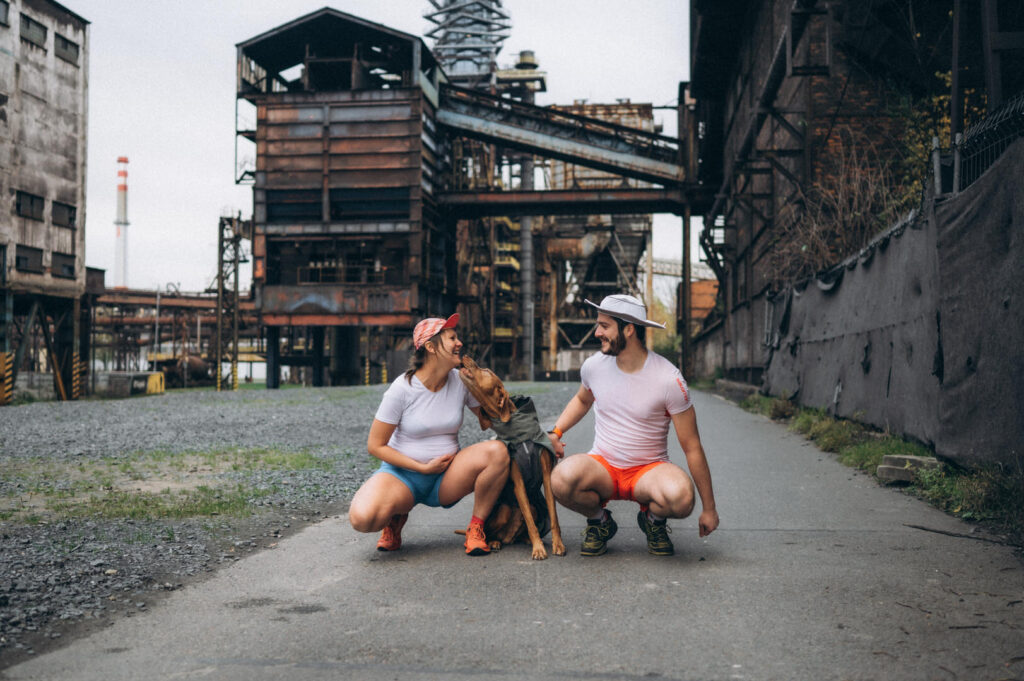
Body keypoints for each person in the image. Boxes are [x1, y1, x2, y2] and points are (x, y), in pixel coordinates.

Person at [547, 294, 719, 556]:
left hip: (647, 472)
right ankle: (599, 522)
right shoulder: (594, 366)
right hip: (603, 466)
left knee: (682, 498)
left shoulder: (668, 379)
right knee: (559, 479)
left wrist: (709, 508)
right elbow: (583, 400)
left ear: (629, 329)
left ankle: (653, 522)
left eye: (605, 326)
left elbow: (692, 446)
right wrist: (556, 432)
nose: (597, 333)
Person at [348, 313, 508, 556]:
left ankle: (477, 527)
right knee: (363, 518)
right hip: (403, 477)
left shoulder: (461, 381)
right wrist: (421, 468)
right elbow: (375, 445)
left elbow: (493, 421)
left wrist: (503, 406)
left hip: (447, 477)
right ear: (431, 347)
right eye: (452, 338)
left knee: (497, 452)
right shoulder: (401, 389)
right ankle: (394, 519)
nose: (459, 343)